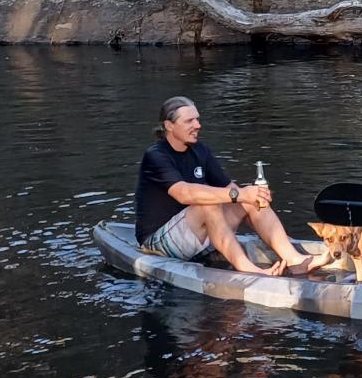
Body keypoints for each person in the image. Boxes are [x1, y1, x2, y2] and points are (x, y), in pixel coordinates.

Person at [135, 96, 317, 277]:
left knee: (252, 198)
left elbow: (233, 190)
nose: (198, 125)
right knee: (208, 204)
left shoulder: (200, 150)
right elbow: (184, 193)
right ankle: (249, 270)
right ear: (169, 125)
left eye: (197, 119)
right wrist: (239, 194)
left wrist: (255, 201)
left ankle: (295, 259)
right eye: (190, 120)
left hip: (196, 236)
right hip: (158, 243)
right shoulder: (156, 156)